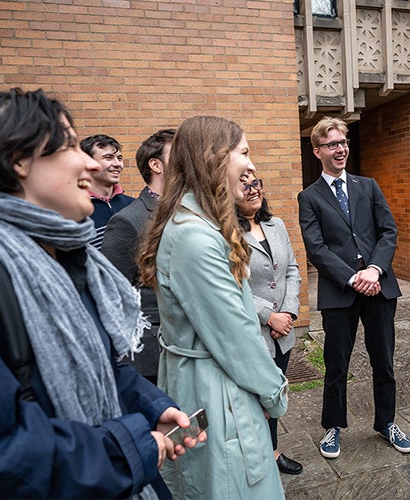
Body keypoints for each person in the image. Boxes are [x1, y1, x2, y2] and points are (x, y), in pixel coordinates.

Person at [0, 89, 204, 498]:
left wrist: (151, 407)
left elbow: (101, 365)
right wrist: (129, 449)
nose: (90, 162)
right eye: (69, 146)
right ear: (17, 161)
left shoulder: (68, 258)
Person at [139, 115, 288, 498]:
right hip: (216, 388)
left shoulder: (200, 223)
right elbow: (234, 336)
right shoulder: (195, 238)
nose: (251, 164)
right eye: (244, 152)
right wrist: (274, 392)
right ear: (214, 157)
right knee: (232, 483)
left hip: (209, 378)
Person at [298, 116, 410, 459]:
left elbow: (388, 231)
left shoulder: (369, 186)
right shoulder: (309, 197)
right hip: (340, 292)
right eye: (332, 144)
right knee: (337, 364)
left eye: (344, 142)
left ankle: (387, 422)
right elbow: (316, 248)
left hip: (379, 288)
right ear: (317, 150)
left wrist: (375, 270)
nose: (341, 149)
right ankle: (332, 427)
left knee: (384, 360)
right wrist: (353, 278)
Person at [235, 173, 304, 476]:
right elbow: (232, 285)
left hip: (282, 333)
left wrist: (287, 313)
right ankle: (254, 460)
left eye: (256, 182)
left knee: (275, 394)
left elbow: (291, 269)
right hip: (253, 333)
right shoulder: (226, 233)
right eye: (245, 184)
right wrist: (268, 316)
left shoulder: (276, 225)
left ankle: (272, 452)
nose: (254, 189)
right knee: (255, 401)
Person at [102, 128, 175, 384]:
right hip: (152, 355)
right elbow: (111, 294)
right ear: (156, 164)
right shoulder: (128, 221)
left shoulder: (191, 211)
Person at [81, 134, 135, 248]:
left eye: (119, 158)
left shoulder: (133, 205)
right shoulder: (75, 210)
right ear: (88, 164)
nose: (117, 164)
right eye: (108, 158)